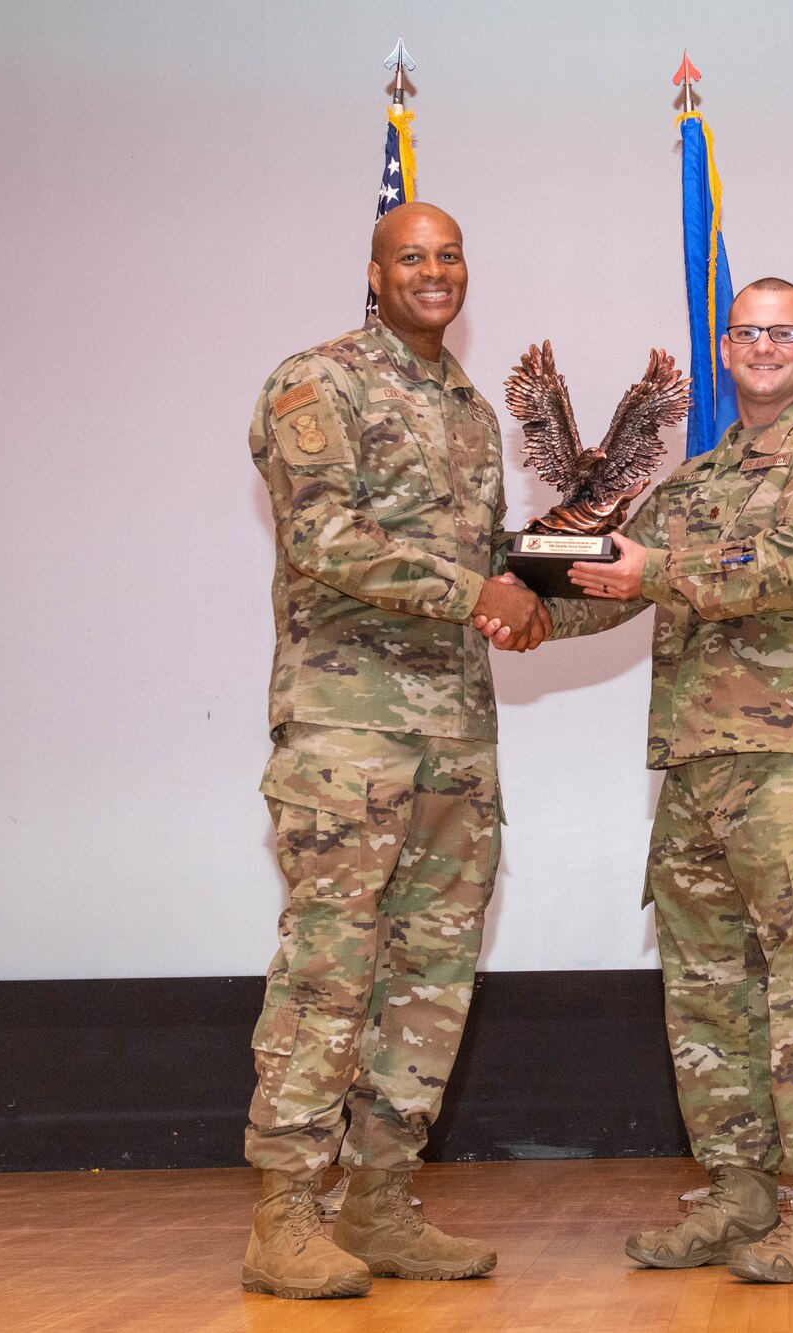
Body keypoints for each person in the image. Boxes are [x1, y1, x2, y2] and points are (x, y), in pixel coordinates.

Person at [484, 278, 793, 1283]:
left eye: (783, 332)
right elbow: (612, 580)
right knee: (709, 994)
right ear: (724, 349)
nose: (763, 345)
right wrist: (522, 602)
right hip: (694, 773)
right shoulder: (697, 479)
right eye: (746, 331)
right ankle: (739, 1190)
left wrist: (652, 571)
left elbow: (790, 563)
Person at [239, 202, 551, 1300]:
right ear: (374, 274)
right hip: (349, 730)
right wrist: (482, 592)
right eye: (410, 256)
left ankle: (378, 1201)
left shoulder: (468, 406)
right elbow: (325, 536)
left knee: (430, 976)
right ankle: (285, 1212)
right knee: (329, 969)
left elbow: (482, 560)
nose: (433, 271)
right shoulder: (317, 380)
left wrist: (572, 572)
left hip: (454, 735)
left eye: (449, 255)